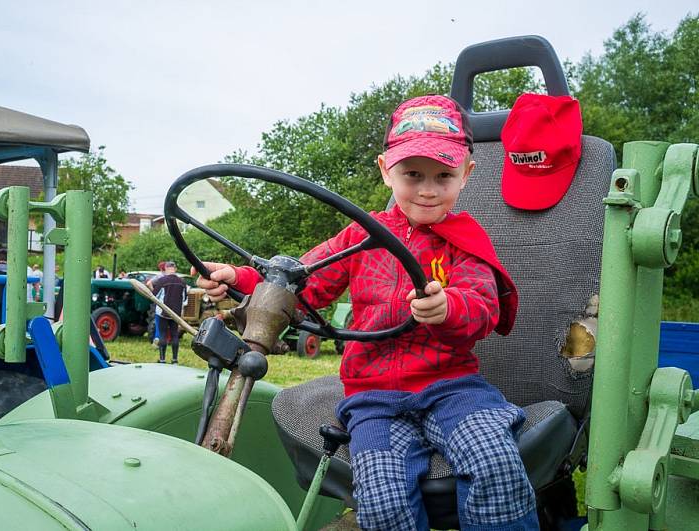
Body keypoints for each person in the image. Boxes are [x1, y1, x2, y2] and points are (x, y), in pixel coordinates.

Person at [195, 95, 537, 530]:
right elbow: (303, 282)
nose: (428, 189)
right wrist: (241, 278)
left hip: (453, 387)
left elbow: (483, 308)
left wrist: (448, 306)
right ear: (385, 170)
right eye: (413, 174)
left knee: (494, 459)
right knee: (381, 494)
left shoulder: (465, 241)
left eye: (443, 176)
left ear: (466, 174)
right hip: (374, 397)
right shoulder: (361, 236)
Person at [146, 261, 187, 364]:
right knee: (174, 335)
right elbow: (185, 298)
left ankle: (162, 359)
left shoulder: (162, 280)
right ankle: (174, 359)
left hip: (162, 312)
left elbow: (154, 296)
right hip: (176, 313)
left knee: (163, 335)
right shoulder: (182, 282)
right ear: (175, 269)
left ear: (165, 268)